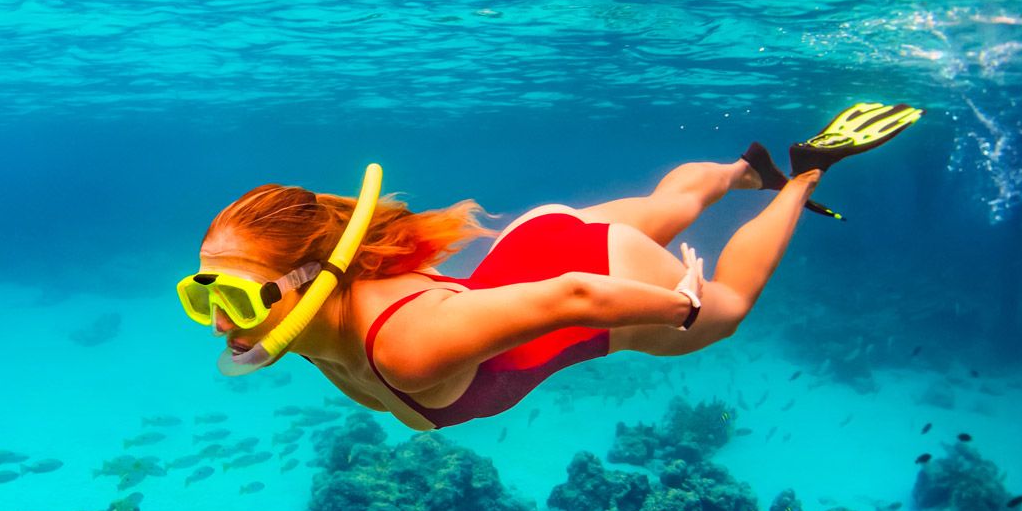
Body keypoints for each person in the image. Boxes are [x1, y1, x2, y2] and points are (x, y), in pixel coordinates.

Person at [177, 104, 922, 431]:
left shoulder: (403, 346)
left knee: (731, 308)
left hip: (586, 276)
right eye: (201, 294)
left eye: (239, 299)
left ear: (315, 277)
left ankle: (802, 175)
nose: (217, 321)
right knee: (667, 205)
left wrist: (680, 307)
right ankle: (741, 169)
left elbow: (572, 296)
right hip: (533, 250)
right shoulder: (307, 322)